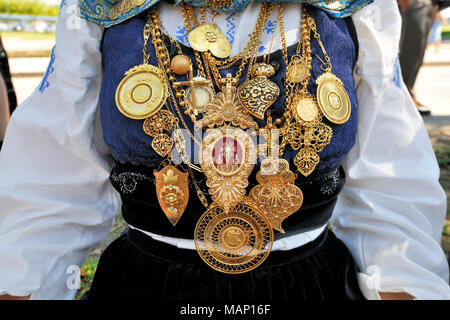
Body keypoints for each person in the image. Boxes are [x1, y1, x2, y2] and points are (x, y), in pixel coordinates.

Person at [0, 0, 449, 301]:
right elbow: (51, 181)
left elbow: (390, 179)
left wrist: (404, 284)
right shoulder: (100, 7)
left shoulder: (354, 8)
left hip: (312, 287)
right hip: (146, 286)